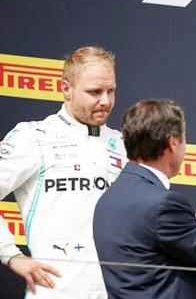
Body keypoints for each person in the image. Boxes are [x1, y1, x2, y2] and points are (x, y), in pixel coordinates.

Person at [93, 99, 196, 299]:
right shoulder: (162, 205)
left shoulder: (109, 198)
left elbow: (182, 246)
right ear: (173, 142)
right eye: (184, 139)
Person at [0, 46, 126, 298]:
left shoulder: (125, 145)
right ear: (65, 89)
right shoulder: (33, 136)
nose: (106, 101)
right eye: (94, 92)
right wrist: (11, 255)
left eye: (111, 91)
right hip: (55, 292)